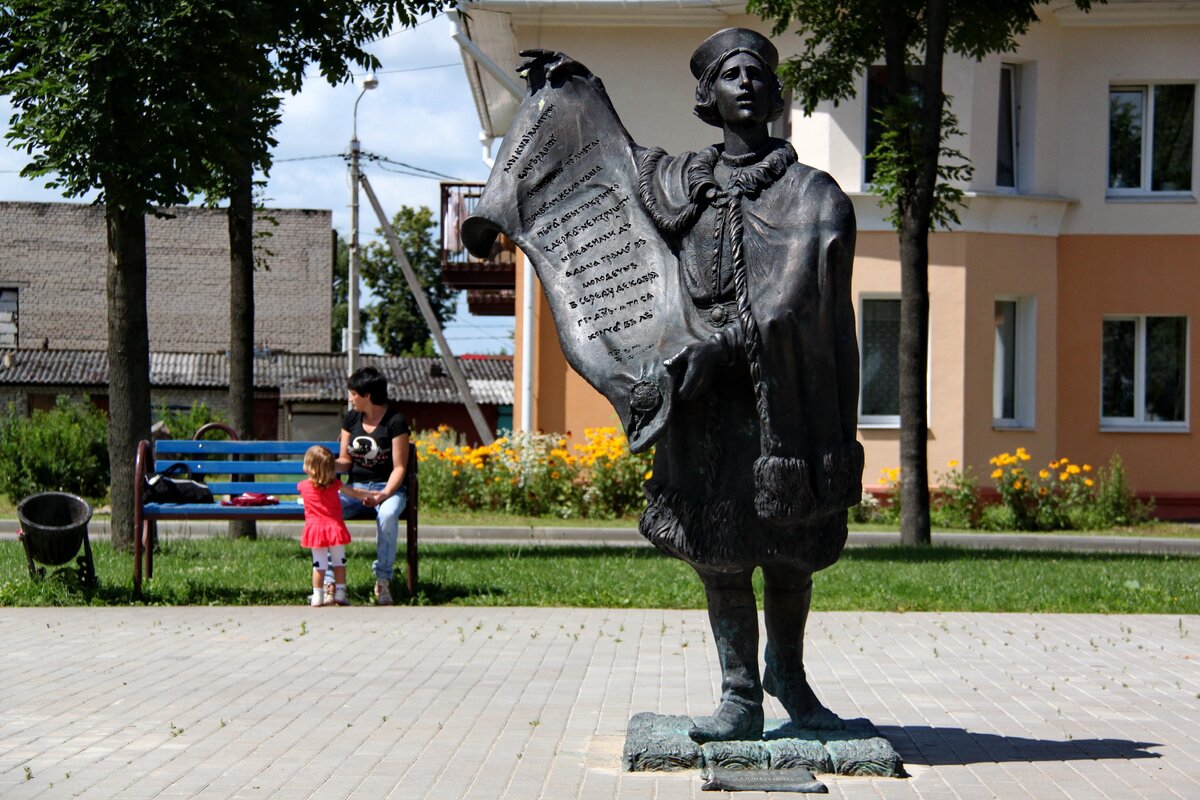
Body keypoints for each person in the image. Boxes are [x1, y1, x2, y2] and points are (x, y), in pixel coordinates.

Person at [633, 28, 863, 743]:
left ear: (774, 92)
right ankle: (739, 694)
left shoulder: (813, 196)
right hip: (708, 409)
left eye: (758, 73)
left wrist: (730, 343)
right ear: (707, 96)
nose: (745, 83)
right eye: (729, 74)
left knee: (790, 548)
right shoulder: (681, 194)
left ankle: (786, 674)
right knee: (722, 551)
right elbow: (649, 279)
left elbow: (802, 301)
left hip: (786, 404)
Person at [333, 366, 410, 606]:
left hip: (387, 489)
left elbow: (400, 468)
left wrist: (383, 494)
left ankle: (383, 581)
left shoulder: (395, 422)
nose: (350, 398)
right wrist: (327, 465)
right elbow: (345, 462)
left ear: (367, 395)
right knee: (328, 509)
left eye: (353, 393)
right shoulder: (351, 419)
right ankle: (331, 583)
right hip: (354, 488)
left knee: (387, 515)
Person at [299, 445, 368, 607]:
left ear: (311, 468)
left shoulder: (302, 486)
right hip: (334, 528)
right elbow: (354, 493)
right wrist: (371, 495)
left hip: (315, 530)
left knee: (318, 564)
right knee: (339, 562)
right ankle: (341, 593)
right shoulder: (336, 485)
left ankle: (317, 596)